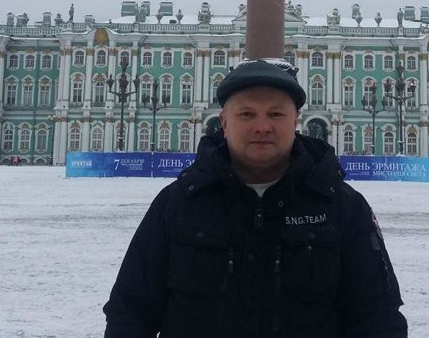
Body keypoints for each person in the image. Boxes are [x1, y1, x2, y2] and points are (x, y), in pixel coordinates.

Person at [103, 59, 407, 337]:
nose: (262, 126)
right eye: (247, 114)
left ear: (295, 121)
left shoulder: (342, 206)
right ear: (224, 122)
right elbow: (130, 312)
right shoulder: (178, 203)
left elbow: (378, 319)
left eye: (276, 114)